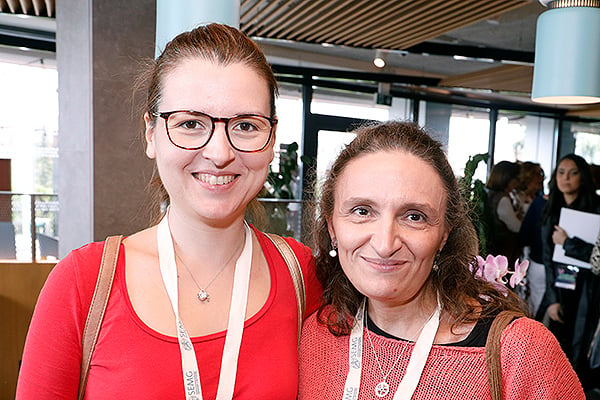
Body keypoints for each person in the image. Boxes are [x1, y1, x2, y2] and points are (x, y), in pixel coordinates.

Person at [16, 24, 321, 399]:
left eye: (245, 125)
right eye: (190, 124)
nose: (220, 153)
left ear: (271, 139)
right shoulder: (84, 283)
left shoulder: (303, 276)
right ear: (151, 133)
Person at [299, 121, 583, 399]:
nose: (385, 245)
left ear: (444, 235)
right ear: (332, 227)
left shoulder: (518, 352)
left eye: (414, 216)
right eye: (362, 211)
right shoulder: (315, 335)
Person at [537, 154, 600, 389]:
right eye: (561, 172)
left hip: (588, 285)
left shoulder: (596, 208)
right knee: (555, 343)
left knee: (580, 345)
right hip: (562, 282)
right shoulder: (552, 207)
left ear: (582, 177)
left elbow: (598, 256)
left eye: (573, 173)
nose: (566, 178)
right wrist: (552, 300)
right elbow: (547, 258)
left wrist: (568, 243)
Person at [516, 162, 546, 316]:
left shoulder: (541, 199)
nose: (542, 177)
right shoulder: (517, 197)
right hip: (527, 253)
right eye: (538, 174)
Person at [485, 160, 522, 263]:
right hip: (502, 253)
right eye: (516, 178)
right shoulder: (503, 200)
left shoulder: (489, 194)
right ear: (508, 179)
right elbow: (517, 227)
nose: (518, 182)